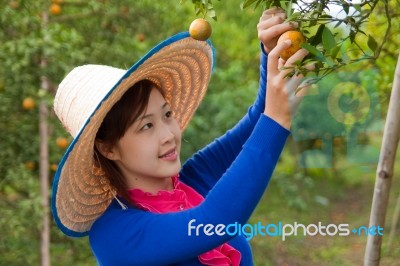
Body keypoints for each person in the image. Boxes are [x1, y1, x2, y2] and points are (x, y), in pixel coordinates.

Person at [51, 8, 309, 266]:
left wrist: (271, 51)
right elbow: (215, 221)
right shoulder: (115, 233)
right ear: (108, 149)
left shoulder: (193, 182)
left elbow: (259, 120)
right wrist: (276, 119)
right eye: (146, 126)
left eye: (167, 115)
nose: (168, 135)